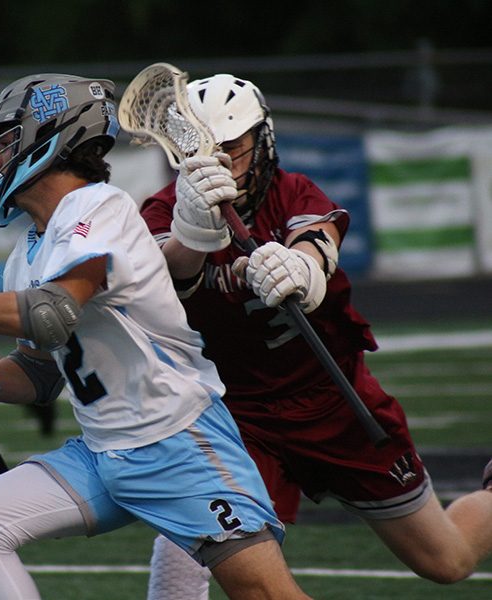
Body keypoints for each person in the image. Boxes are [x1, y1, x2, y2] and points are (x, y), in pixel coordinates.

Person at [0, 73, 310, 599]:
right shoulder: (26, 253)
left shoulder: (100, 207)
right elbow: (41, 369)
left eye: (7, 142)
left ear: (53, 137)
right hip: (104, 452)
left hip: (178, 444)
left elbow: (52, 315)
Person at [138, 73, 492, 598]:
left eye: (233, 147)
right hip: (238, 417)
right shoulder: (163, 211)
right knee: (188, 548)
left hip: (335, 405)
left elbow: (318, 243)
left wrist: (301, 271)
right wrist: (194, 229)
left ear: (262, 141)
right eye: (205, 148)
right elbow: (165, 272)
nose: (220, 162)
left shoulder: (294, 192)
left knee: (447, 560)